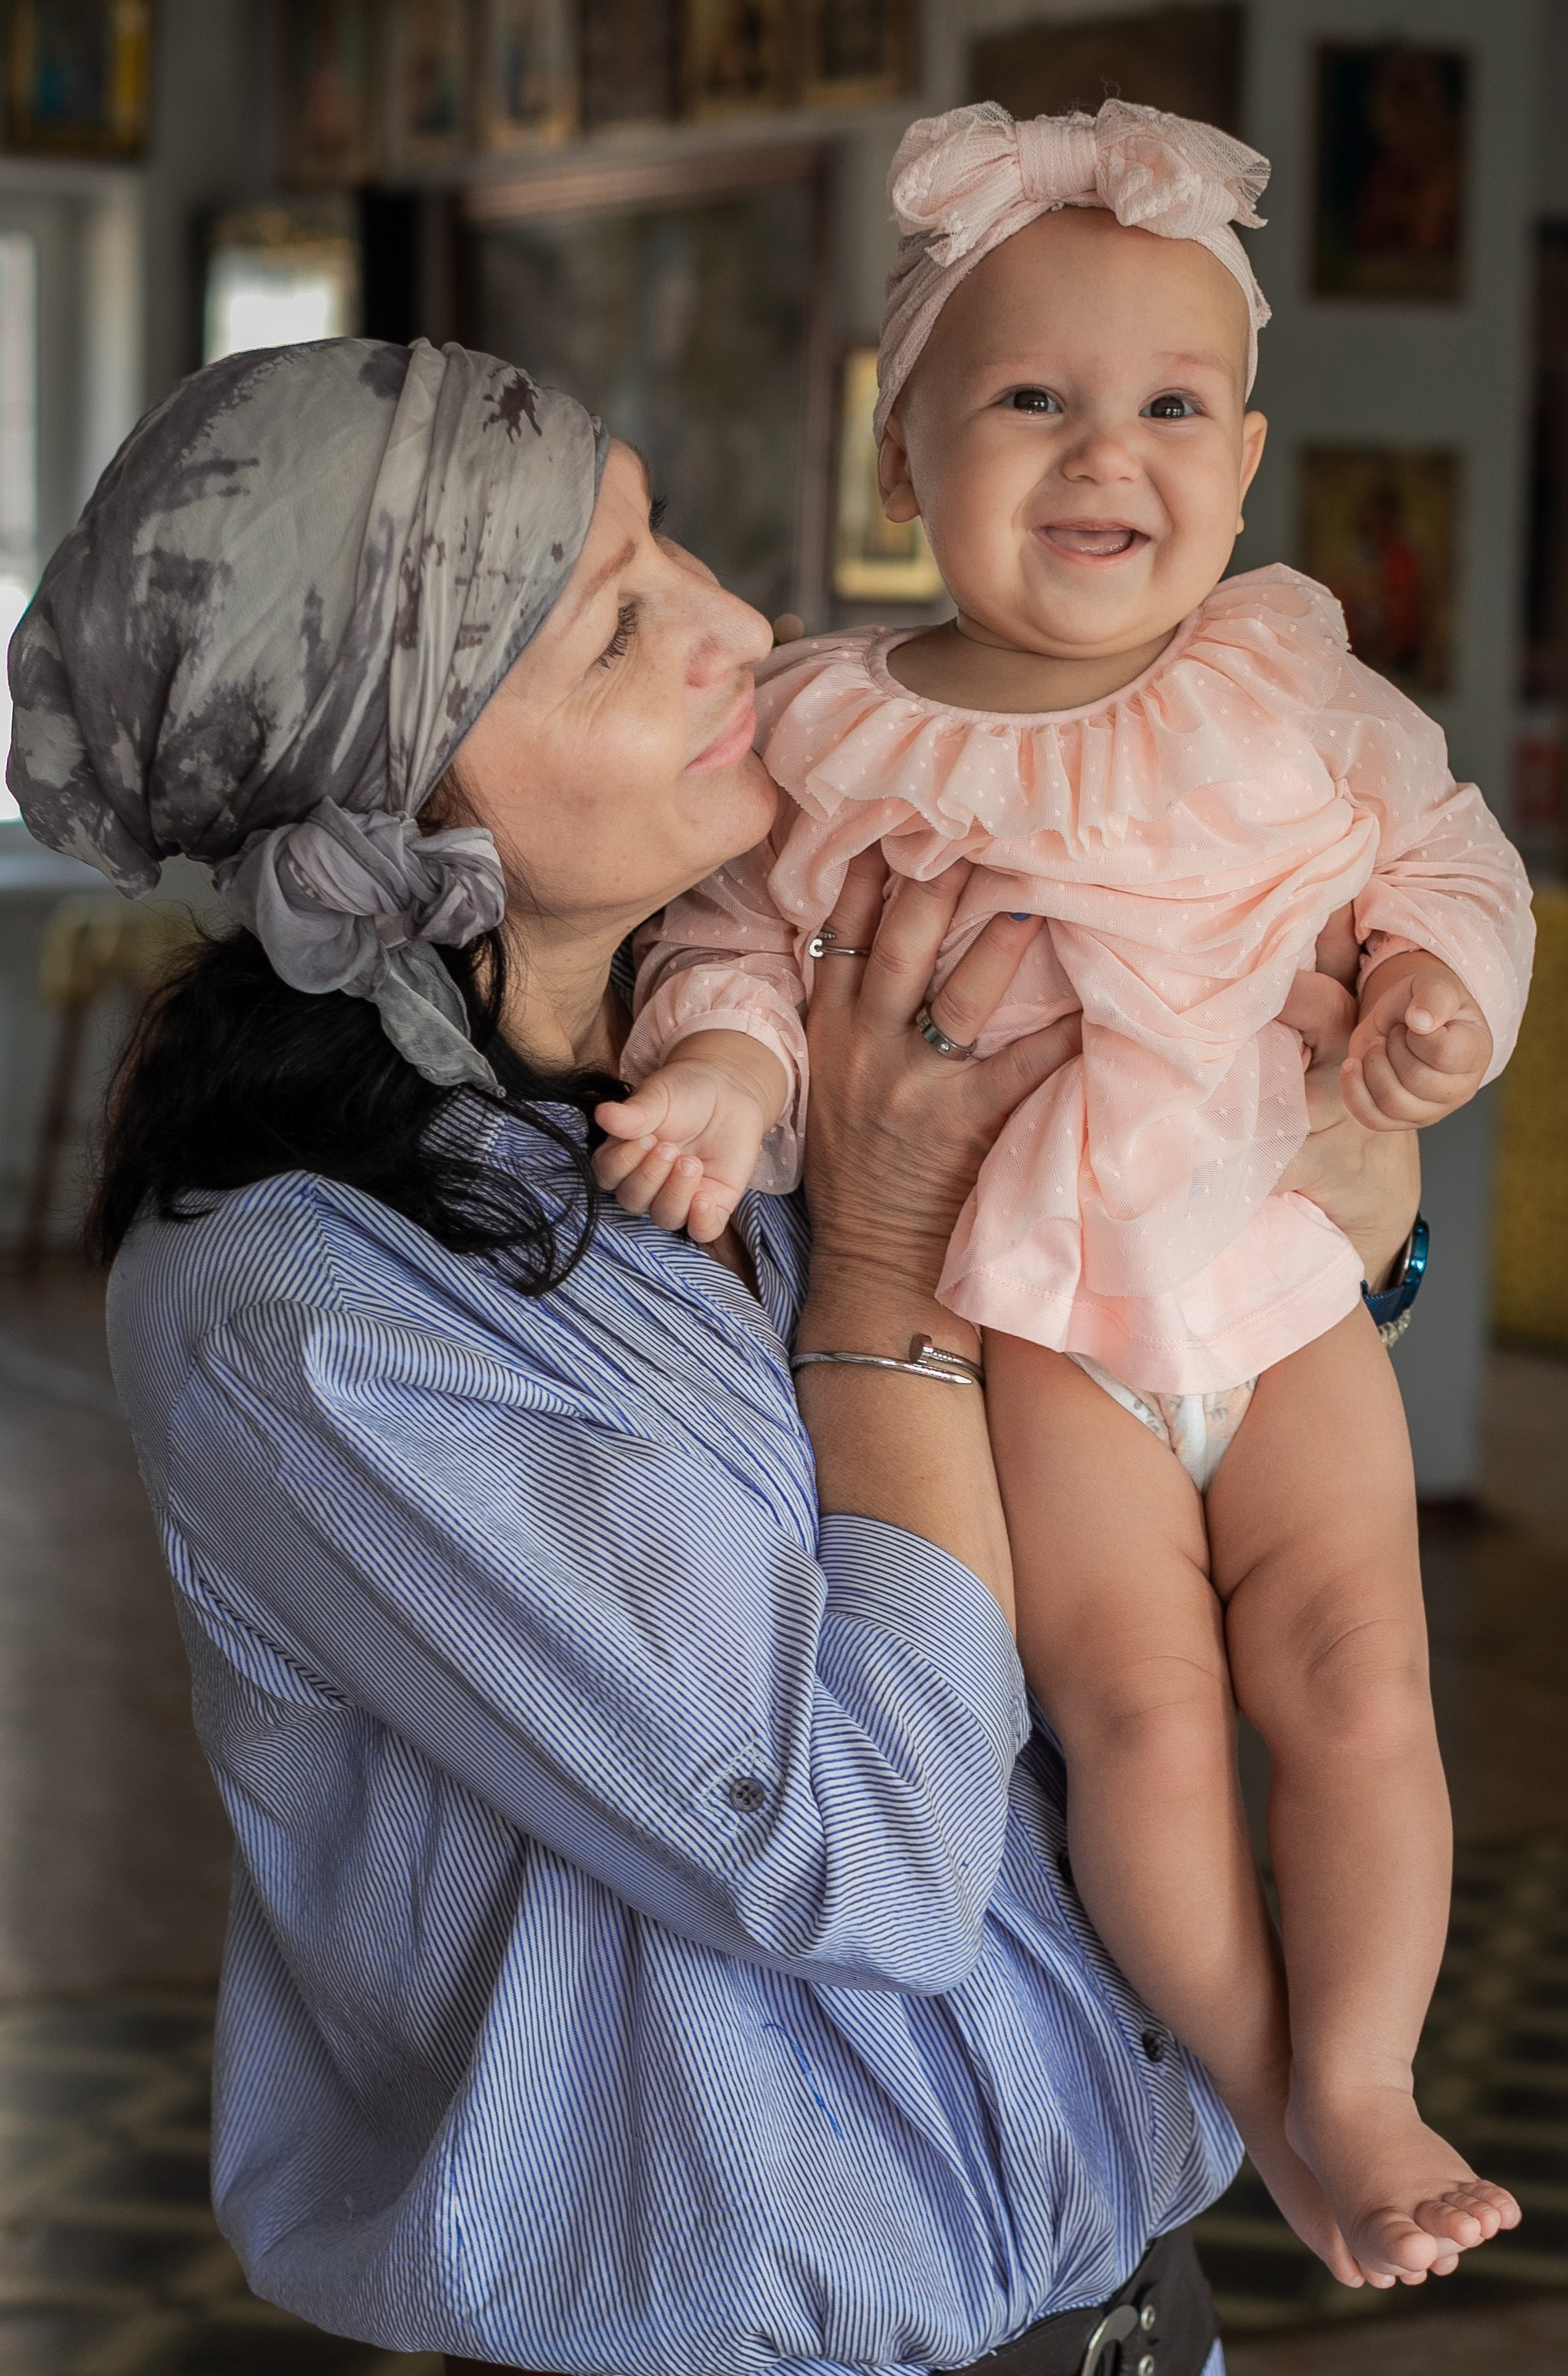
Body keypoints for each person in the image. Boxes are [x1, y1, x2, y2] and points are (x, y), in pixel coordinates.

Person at [9, 335, 1422, 2375]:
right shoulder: (303, 1319)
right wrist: (881, 1274)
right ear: (396, 801)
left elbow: (1129, 1417)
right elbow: (863, 1867)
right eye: (614, 629)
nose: (741, 628)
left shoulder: (764, 1040)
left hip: (1129, 2315)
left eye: (667, 540)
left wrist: (1334, 1182)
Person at [596, 101, 1534, 2292]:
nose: (1103, 449)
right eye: (1027, 398)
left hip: (1284, 1293)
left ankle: (1364, 2075)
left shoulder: (1288, 686)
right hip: (1038, 1331)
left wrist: (1434, 1006)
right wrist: (731, 1076)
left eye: (1166, 404)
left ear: (1241, 457)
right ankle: (1248, 2074)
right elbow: (734, 943)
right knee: (1130, 1712)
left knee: (1354, 1679)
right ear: (904, 459)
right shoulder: (831, 737)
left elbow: (1454, 863)